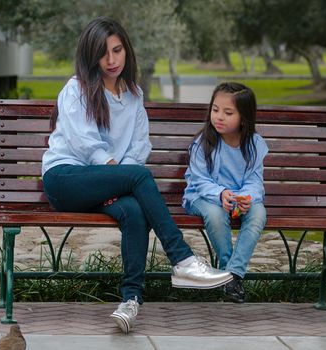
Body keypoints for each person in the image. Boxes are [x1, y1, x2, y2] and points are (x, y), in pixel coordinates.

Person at [41, 17, 232, 334]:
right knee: (139, 177)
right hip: (65, 179)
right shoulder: (76, 89)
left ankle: (130, 301)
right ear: (91, 56)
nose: (112, 60)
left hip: (104, 185)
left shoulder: (133, 94)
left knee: (133, 210)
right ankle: (182, 259)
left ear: (126, 50)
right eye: (104, 53)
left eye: (117, 50)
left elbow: (139, 143)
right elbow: (87, 145)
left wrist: (122, 176)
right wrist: (124, 174)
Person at [183, 82, 268, 303]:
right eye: (215, 109)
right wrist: (220, 194)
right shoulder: (204, 143)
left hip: (239, 198)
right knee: (215, 214)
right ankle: (229, 275)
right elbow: (200, 180)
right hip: (202, 197)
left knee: (258, 214)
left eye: (228, 113)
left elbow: (254, 180)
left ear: (244, 117)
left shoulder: (254, 145)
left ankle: (233, 274)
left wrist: (248, 198)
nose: (219, 116)